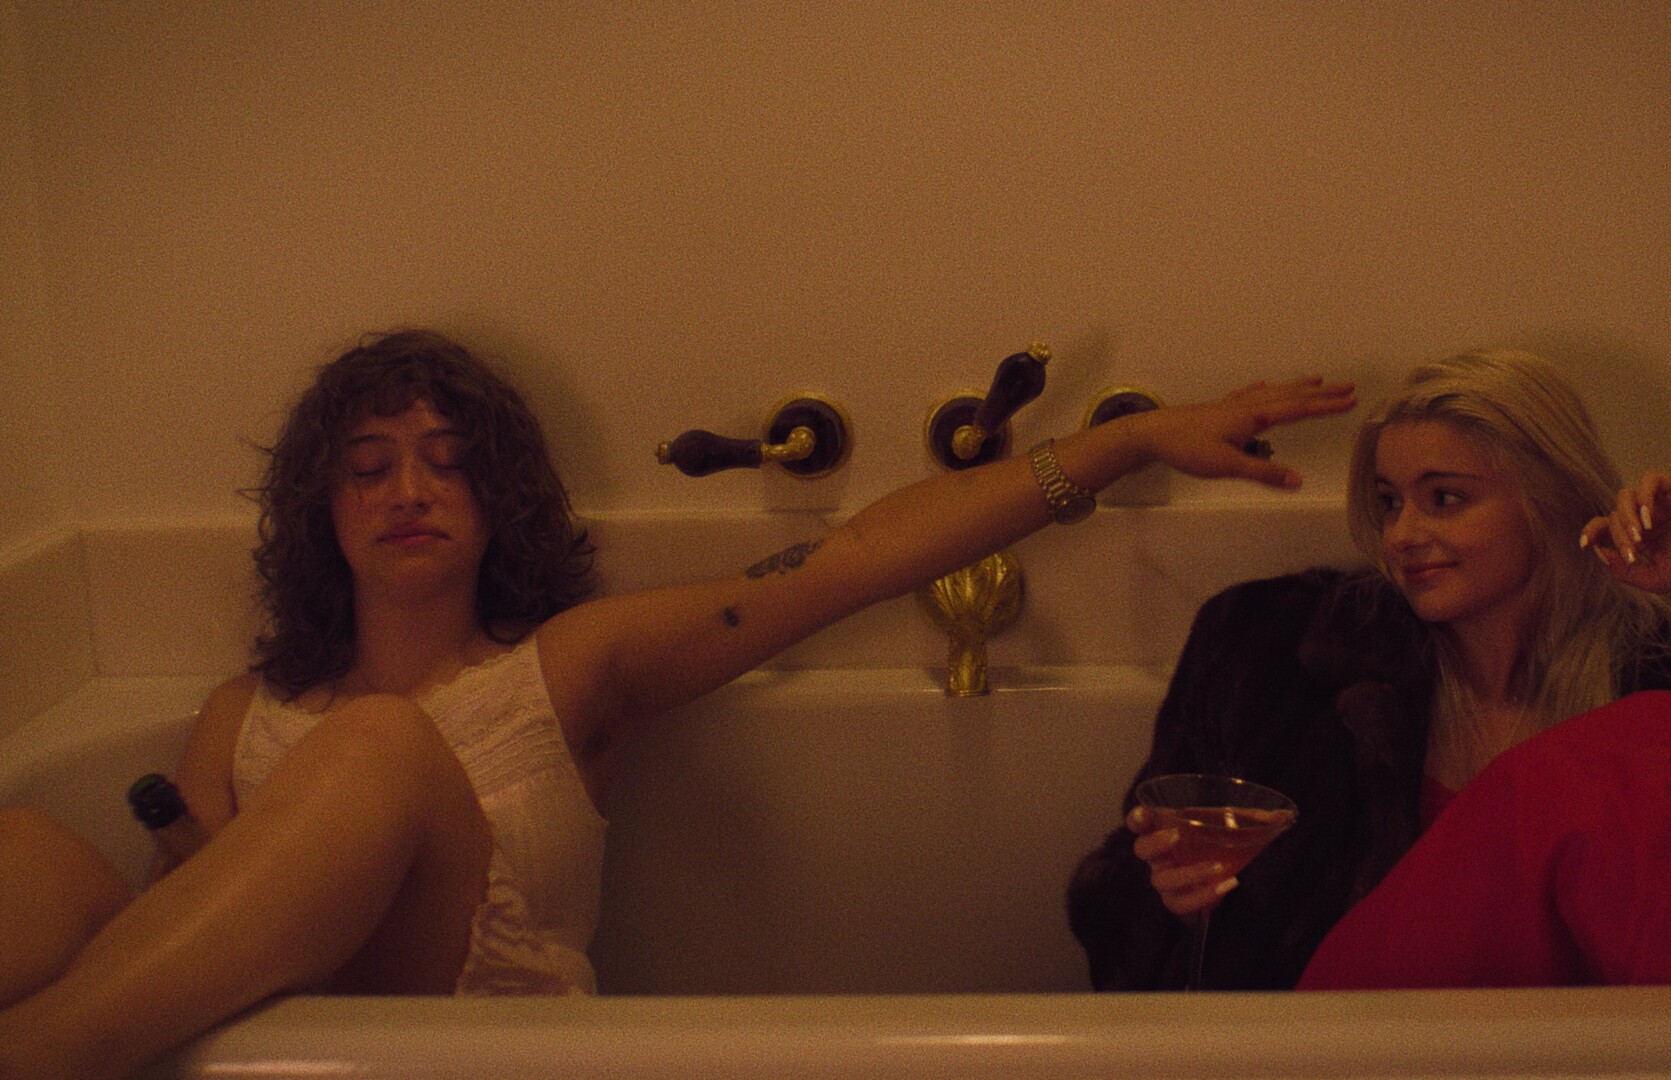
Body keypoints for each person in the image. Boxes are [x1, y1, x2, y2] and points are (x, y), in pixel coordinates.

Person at [0, 329, 1358, 1080]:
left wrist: (1118, 444)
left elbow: (855, 560)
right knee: (26, 857)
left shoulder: (572, 668)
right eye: (368, 467)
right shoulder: (241, 715)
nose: (407, 490)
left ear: (497, 499)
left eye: (444, 463)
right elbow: (182, 943)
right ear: (322, 509)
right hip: (275, 1059)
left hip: (471, 1061)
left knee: (377, 746)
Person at [1068, 348, 1671, 1003]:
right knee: (1563, 785)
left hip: (1601, 1051)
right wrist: (1172, 896)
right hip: (1355, 1036)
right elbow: (1125, 916)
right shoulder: (1277, 653)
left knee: (1630, 759)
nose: (1402, 533)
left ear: (1549, 499)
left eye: (1444, 498)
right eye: (1389, 501)